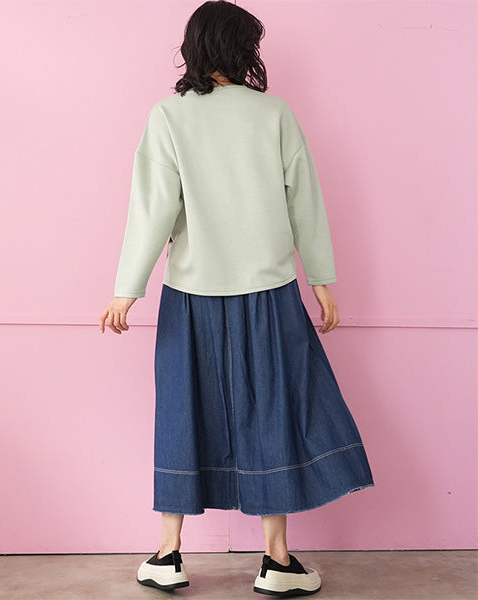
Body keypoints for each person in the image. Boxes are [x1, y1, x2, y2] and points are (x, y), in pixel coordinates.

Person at [99, 0, 374, 596]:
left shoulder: (169, 115)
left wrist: (127, 290)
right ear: (243, 49)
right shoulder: (273, 113)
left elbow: (152, 210)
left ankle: (167, 554)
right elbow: (304, 200)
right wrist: (321, 278)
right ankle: (277, 562)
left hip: (190, 294)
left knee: (183, 409)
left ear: (194, 47)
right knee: (272, 409)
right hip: (269, 291)